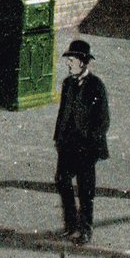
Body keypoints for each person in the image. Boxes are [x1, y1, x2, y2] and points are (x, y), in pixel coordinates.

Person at [53, 39, 110, 245]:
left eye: (72, 60)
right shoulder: (67, 84)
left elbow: (103, 120)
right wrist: (58, 137)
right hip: (67, 144)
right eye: (68, 59)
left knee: (86, 191)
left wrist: (91, 142)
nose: (68, 63)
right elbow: (63, 113)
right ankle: (71, 225)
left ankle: (85, 230)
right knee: (62, 180)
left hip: (87, 147)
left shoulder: (96, 86)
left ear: (83, 62)